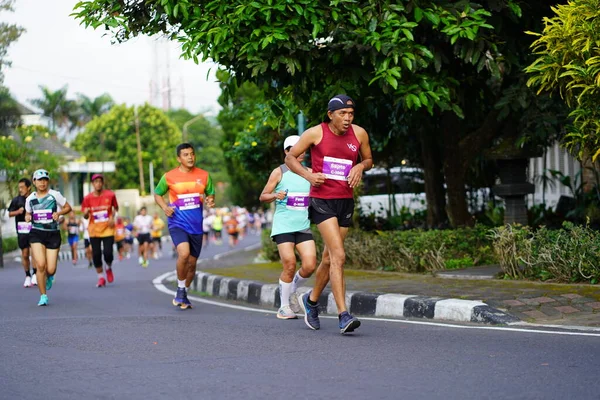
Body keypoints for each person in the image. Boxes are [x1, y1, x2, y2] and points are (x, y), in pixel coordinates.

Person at [285, 94, 373, 334]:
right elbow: (290, 157)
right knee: (339, 256)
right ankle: (343, 315)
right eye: (342, 114)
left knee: (328, 259)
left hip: (345, 201)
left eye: (351, 114)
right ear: (330, 114)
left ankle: (311, 301)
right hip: (322, 200)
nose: (347, 119)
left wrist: (359, 166)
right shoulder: (316, 133)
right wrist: (308, 175)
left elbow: (369, 160)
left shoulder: (359, 134)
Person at [259, 135, 317, 320]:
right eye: (294, 149)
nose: (300, 152)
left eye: (302, 148)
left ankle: (290, 288)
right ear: (286, 152)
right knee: (290, 263)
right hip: (283, 225)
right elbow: (263, 196)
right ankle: (284, 307)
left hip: (303, 225)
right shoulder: (279, 172)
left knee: (309, 265)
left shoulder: (310, 172)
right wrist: (276, 195)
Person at [154, 142, 215, 310]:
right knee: (184, 254)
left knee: (193, 263)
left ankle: (184, 292)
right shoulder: (169, 176)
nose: (190, 157)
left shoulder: (204, 176)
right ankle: (180, 289)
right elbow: (158, 194)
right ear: (179, 158)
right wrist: (165, 207)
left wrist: (211, 200)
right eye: (186, 155)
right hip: (177, 223)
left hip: (196, 226)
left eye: (192, 154)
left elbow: (210, 194)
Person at [25, 169, 72, 306]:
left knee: (50, 269)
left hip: (52, 233)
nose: (42, 183)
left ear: (48, 181)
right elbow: (28, 214)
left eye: (45, 180)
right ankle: (43, 296)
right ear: (34, 182)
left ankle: (50, 276)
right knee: (40, 265)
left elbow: (68, 207)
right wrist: (27, 217)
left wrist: (59, 213)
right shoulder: (30, 199)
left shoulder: (54, 195)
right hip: (36, 232)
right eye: (39, 180)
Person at [81, 173, 119, 288]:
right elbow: (85, 216)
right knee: (96, 254)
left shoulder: (110, 195)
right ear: (92, 184)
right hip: (94, 230)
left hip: (108, 228)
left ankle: (108, 266)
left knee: (108, 253)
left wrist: (112, 217)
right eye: (95, 182)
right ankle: (101, 277)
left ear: (102, 183)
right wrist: (86, 213)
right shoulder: (87, 198)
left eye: (100, 181)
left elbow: (115, 208)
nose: (98, 184)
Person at [8, 178, 37, 287]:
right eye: (19, 187)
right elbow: (9, 213)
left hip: (34, 229)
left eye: (22, 187)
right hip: (22, 230)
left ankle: (35, 273)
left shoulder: (34, 198)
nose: (20, 189)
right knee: (25, 254)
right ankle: (27, 276)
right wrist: (18, 212)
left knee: (34, 252)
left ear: (28, 187)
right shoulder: (16, 200)